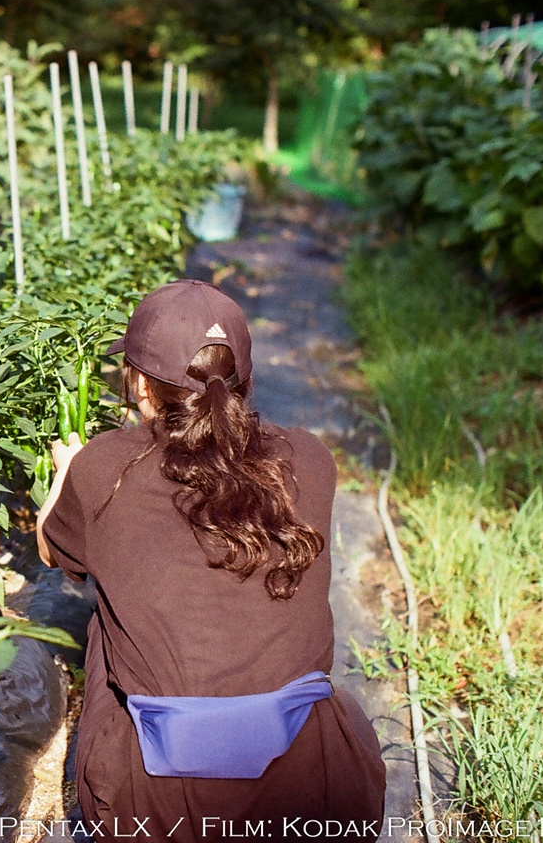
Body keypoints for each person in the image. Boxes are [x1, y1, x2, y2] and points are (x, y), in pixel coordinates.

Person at [36, 280, 386, 842]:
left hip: (152, 806)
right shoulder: (309, 459)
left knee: (107, 614)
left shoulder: (106, 467)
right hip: (313, 792)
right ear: (243, 382)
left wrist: (65, 474)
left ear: (139, 384)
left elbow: (53, 552)